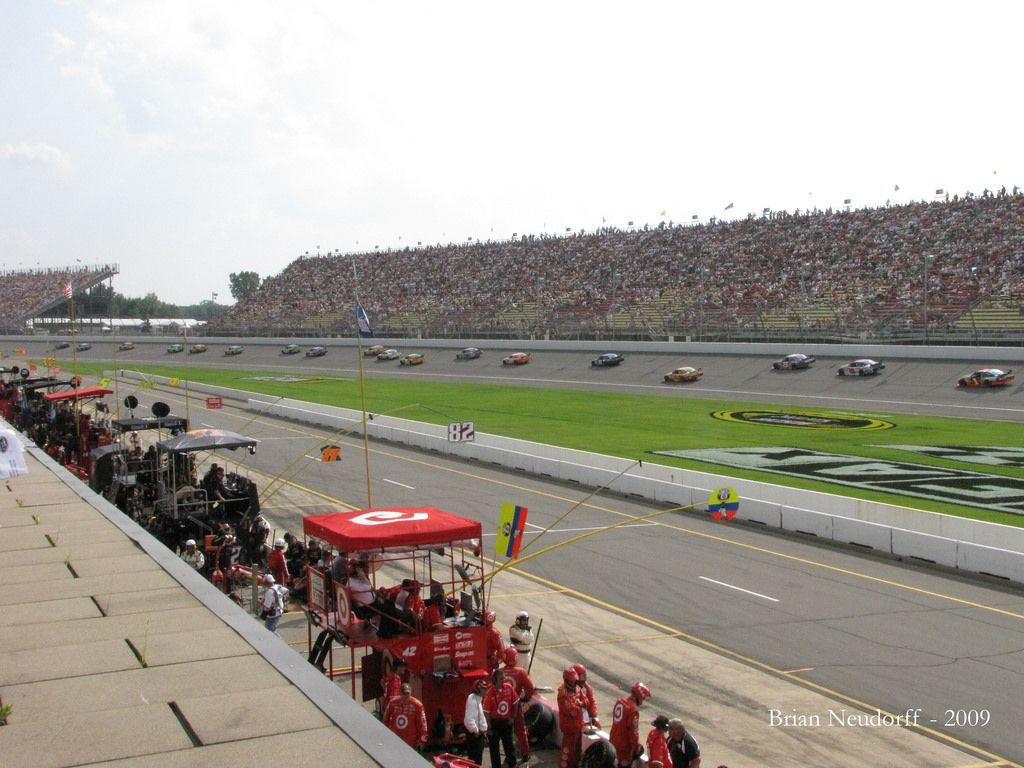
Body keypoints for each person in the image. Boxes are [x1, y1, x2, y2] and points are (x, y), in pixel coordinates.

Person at [502, 648, 534, 762]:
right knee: (520, 730)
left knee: (506, 732)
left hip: (502, 707)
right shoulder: (520, 672)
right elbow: (530, 688)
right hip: (516, 705)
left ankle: (509, 755)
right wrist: (525, 698)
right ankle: (525, 754)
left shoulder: (499, 672)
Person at [483, 667, 518, 768]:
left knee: (509, 747)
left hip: (507, 722)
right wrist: (489, 728)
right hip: (494, 724)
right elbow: (486, 712)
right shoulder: (489, 693)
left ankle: (512, 765)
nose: (504, 680)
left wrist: (513, 717)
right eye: (501, 679)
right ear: (495, 680)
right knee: (494, 750)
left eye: (504, 678)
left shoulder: (509, 687)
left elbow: (515, 702)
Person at [609, 682, 651, 768]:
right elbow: (633, 732)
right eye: (643, 698)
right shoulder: (633, 710)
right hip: (624, 746)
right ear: (639, 696)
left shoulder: (620, 701)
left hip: (613, 739)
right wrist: (636, 747)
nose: (643, 700)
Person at [384, 683, 428, 751]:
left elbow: (423, 723)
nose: (406, 696)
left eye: (407, 693)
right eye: (404, 693)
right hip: (395, 737)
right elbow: (385, 718)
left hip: (411, 740)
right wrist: (386, 732)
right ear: (400, 693)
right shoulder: (392, 702)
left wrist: (422, 740)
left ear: (411, 692)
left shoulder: (418, 705)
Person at [557, 667, 586, 768]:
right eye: (571, 680)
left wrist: (579, 703)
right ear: (566, 680)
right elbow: (571, 711)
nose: (573, 682)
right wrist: (579, 704)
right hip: (569, 728)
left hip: (578, 726)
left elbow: (587, 702)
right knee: (567, 752)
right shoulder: (562, 693)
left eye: (574, 680)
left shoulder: (577, 689)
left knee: (577, 751)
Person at [463, 677, 489, 766]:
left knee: (477, 761)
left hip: (478, 735)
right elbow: (469, 719)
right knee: (475, 761)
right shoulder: (473, 700)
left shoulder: (478, 699)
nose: (486, 691)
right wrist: (476, 730)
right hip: (475, 736)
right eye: (484, 689)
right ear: (478, 689)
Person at [572, 663, 600, 728]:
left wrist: (593, 716)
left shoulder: (587, 688)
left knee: (597, 724)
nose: (583, 679)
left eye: (584, 676)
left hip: (583, 713)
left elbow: (592, 702)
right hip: (573, 715)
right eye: (581, 677)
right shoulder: (568, 688)